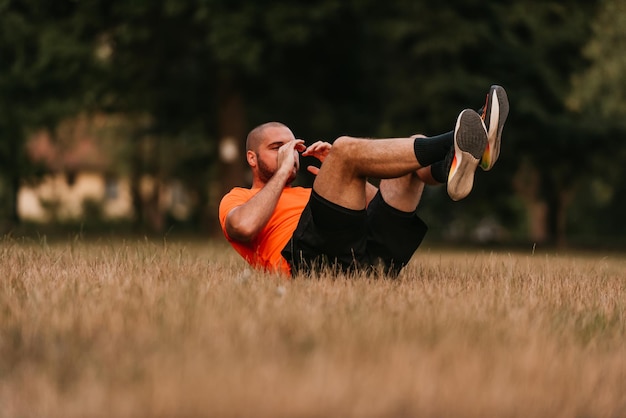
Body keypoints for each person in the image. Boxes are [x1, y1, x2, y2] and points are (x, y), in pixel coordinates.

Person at [219, 85, 509, 277]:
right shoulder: (237, 198)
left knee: (410, 146)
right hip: (311, 264)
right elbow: (243, 227)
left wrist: (347, 174)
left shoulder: (311, 192)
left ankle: (451, 165)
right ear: (252, 158)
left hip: (366, 261)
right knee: (345, 147)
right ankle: (458, 143)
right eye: (276, 148)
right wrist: (285, 171)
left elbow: (376, 208)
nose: (288, 153)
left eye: (291, 147)